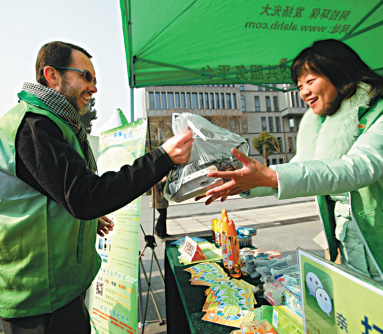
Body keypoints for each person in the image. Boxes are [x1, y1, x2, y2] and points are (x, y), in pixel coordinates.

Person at [0, 41, 193, 334]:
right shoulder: (34, 126)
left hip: (60, 292)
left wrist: (84, 221)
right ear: (52, 75)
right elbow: (84, 196)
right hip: (38, 304)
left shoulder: (55, 122)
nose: (94, 89)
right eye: (86, 77)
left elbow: (59, 195)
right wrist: (163, 157)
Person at [204, 39, 383, 282]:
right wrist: (246, 182)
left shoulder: (378, 112)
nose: (304, 92)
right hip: (350, 245)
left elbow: (360, 168)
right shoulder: (321, 125)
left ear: (340, 73)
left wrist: (269, 176)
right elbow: (298, 168)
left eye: (310, 81)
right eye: (299, 86)